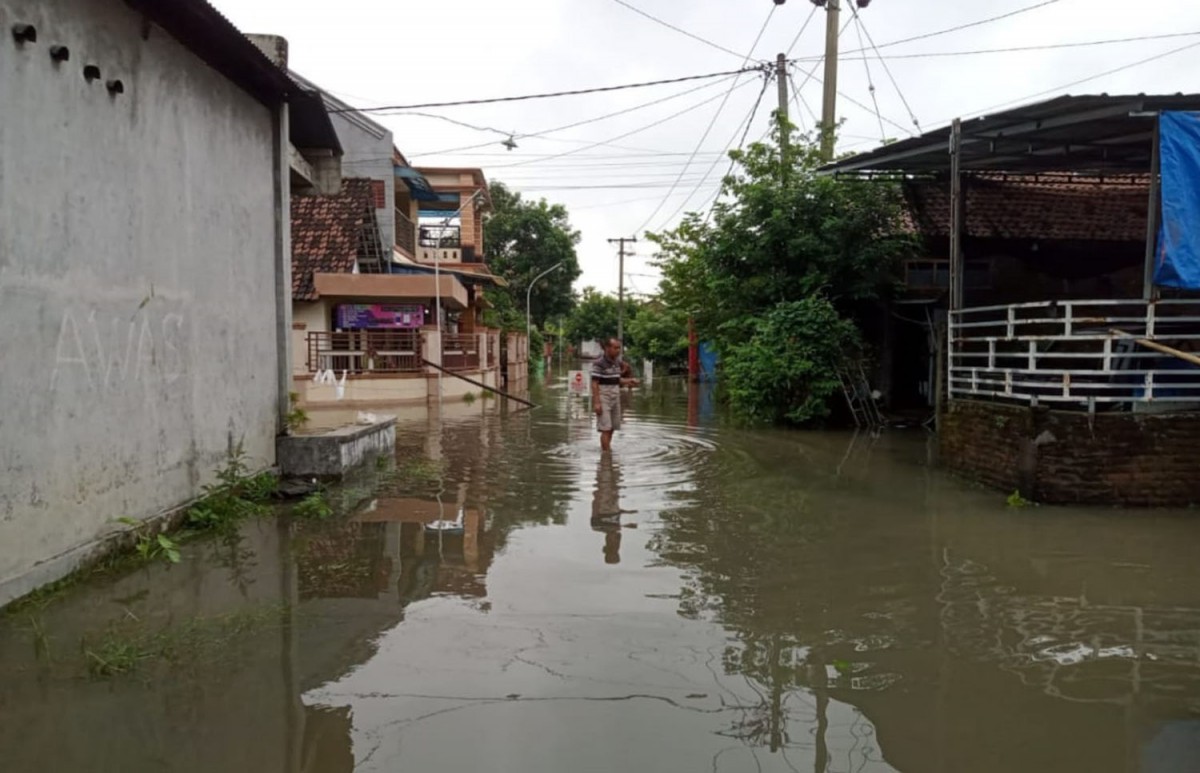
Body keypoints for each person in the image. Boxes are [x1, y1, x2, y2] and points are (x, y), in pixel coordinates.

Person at [591, 337, 639, 451]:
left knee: (612, 427)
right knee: (606, 428)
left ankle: (607, 452)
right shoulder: (599, 363)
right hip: (603, 396)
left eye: (619, 348)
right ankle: (606, 457)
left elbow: (617, 380)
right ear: (607, 348)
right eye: (615, 348)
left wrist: (629, 381)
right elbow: (594, 383)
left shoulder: (617, 363)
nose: (618, 351)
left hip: (615, 396)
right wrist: (597, 402)